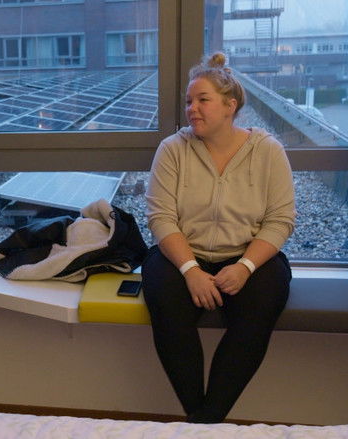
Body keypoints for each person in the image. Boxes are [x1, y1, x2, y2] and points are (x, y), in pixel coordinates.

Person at [142, 52, 295, 423]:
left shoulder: (268, 151)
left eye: (202, 100)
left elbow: (280, 220)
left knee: (263, 302)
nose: (192, 108)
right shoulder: (173, 149)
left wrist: (244, 267)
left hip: (246, 256)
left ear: (230, 106)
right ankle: (202, 419)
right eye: (188, 101)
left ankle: (206, 419)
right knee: (164, 300)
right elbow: (161, 218)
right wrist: (191, 271)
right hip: (184, 255)